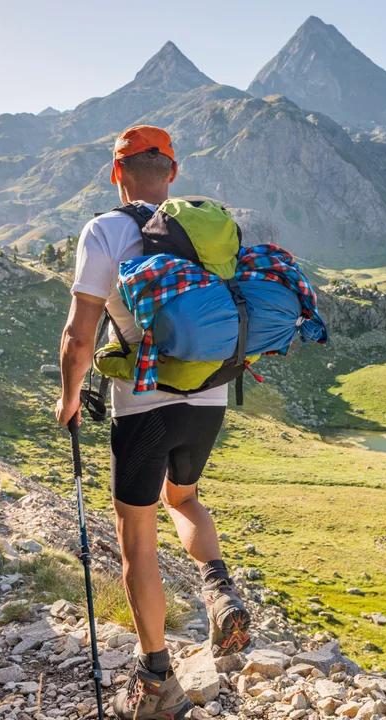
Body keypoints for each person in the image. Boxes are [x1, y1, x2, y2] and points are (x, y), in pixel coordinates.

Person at [55, 125, 250, 719]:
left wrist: (67, 399)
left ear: (117, 174)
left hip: (141, 403)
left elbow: (79, 333)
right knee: (184, 498)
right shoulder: (202, 232)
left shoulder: (105, 230)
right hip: (210, 395)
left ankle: (157, 677)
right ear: (172, 174)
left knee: (136, 536)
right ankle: (219, 591)